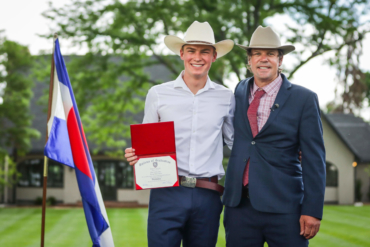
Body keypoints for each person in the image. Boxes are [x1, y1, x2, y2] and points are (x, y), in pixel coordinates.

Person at [124, 21, 235, 247]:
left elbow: (238, 144)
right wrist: (136, 155)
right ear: (182, 53)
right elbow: (146, 143)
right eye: (192, 50)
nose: (198, 57)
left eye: (205, 51)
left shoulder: (227, 97)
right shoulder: (158, 94)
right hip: (166, 193)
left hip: (208, 194)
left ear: (214, 56)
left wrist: (285, 152)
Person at [222, 25, 326, 247]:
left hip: (286, 209)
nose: (263, 59)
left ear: (280, 60)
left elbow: (314, 159)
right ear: (249, 61)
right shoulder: (239, 91)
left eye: (270, 54)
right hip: (238, 208)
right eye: (257, 54)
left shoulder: (304, 99)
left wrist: (312, 210)